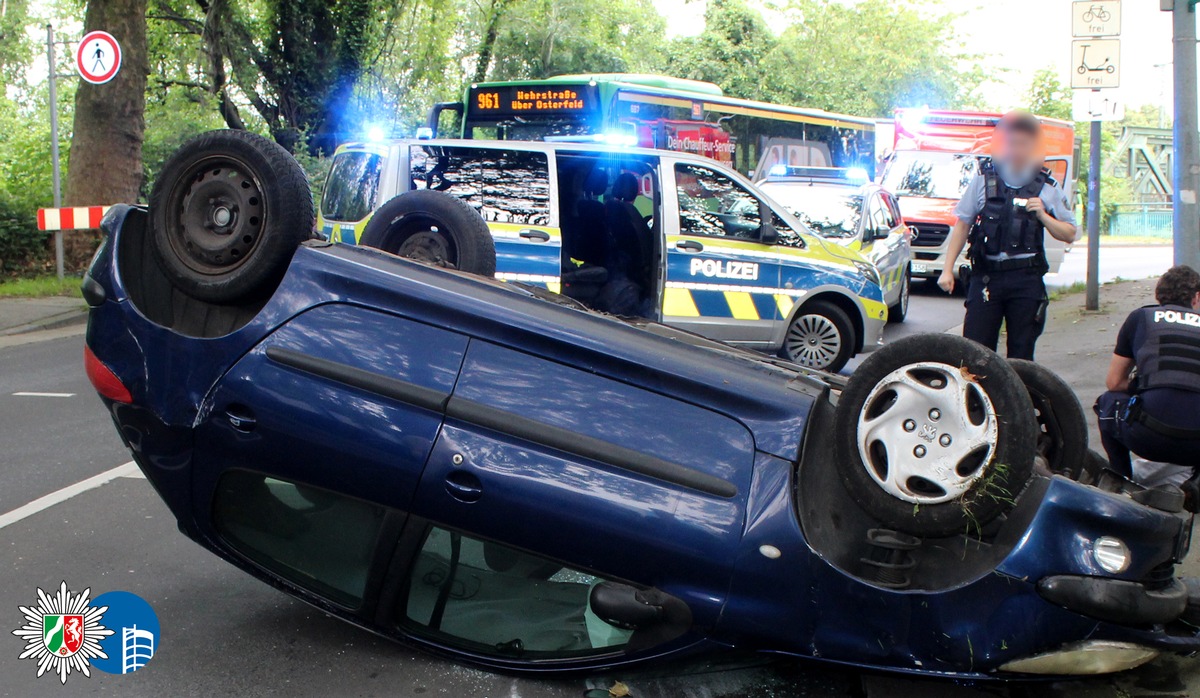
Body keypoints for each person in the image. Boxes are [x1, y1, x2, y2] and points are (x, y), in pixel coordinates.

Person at [938, 111, 1078, 360]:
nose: (1017, 149)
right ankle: (977, 399)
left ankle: (1019, 398)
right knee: (975, 352)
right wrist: (947, 269)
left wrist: (1044, 216)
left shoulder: (1047, 186)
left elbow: (1069, 233)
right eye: (1012, 143)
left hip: (1025, 279)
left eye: (1024, 144)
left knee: (1021, 354)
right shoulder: (984, 180)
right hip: (987, 277)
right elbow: (963, 224)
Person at [1095, 266, 1200, 479]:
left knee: (1107, 402)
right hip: (1196, 446)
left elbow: (1114, 383)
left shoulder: (1140, 318)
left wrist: (1145, 385)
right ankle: (1195, 485)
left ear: (1159, 295)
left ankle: (1121, 481)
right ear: (1196, 298)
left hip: (1148, 438)